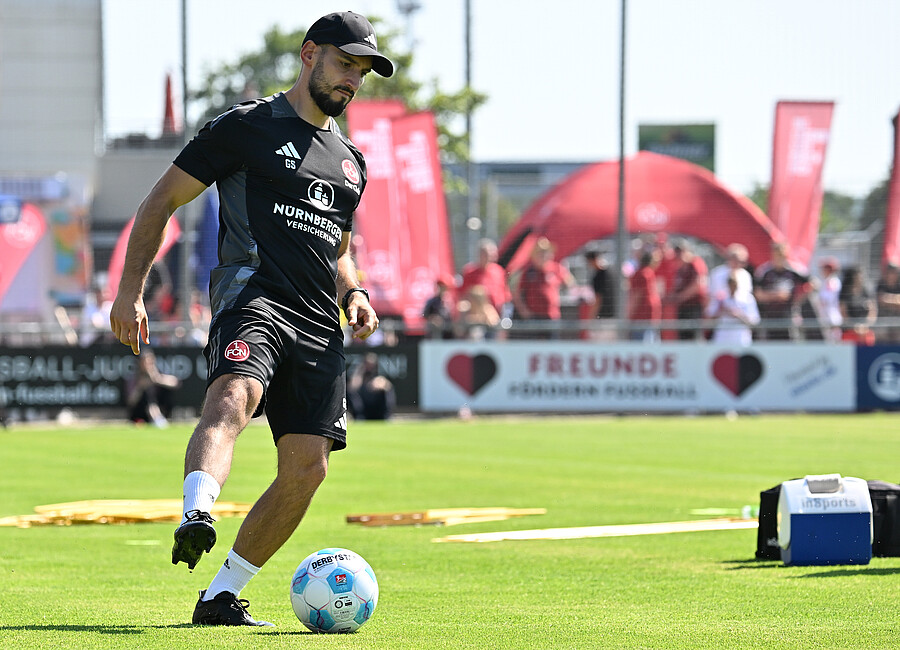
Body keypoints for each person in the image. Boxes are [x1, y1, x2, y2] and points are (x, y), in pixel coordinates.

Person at [108, 11, 391, 627]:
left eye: (363, 72)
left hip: (321, 323)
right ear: (309, 55)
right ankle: (197, 510)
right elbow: (161, 200)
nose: (353, 81)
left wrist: (357, 293)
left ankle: (220, 596)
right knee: (234, 395)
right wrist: (131, 290)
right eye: (346, 64)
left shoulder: (351, 162)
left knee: (308, 469)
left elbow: (339, 248)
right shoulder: (246, 127)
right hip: (253, 297)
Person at [510, 237, 575, 338]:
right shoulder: (528, 271)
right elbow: (516, 292)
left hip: (552, 316)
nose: (543, 255)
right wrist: (524, 311)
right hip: (534, 316)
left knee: (551, 345)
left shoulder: (556, 268)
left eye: (545, 252)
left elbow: (570, 283)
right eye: (540, 252)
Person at [754, 242, 808, 341]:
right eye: (776, 254)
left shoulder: (793, 270)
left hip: (789, 315)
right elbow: (758, 294)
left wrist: (797, 300)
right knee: (771, 345)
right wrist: (775, 296)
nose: (779, 258)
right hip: (769, 316)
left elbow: (812, 284)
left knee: (791, 344)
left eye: (781, 255)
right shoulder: (764, 271)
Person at [125, 348, 180, 427]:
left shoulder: (158, 373)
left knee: (167, 390)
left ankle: (158, 418)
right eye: (145, 362)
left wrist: (158, 380)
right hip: (140, 412)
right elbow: (130, 401)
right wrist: (140, 387)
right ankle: (156, 418)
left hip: (159, 407)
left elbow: (175, 382)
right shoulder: (134, 377)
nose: (148, 365)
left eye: (150, 362)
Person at [667, 239, 709, 341]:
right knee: (683, 337)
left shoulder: (695, 263)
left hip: (694, 307)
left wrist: (680, 297)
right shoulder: (680, 269)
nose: (678, 256)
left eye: (680, 252)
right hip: (683, 308)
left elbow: (697, 284)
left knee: (694, 336)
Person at [705, 270, 760, 346]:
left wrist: (738, 315)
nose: (732, 287)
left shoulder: (747, 298)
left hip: (741, 339)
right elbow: (709, 318)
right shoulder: (720, 298)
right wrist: (721, 311)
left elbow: (754, 321)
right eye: (730, 283)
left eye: (734, 283)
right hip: (722, 338)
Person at [459, 238, 511, 317]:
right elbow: (463, 295)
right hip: (477, 315)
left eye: (490, 254)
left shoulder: (499, 271)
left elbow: (505, 293)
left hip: (497, 314)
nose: (488, 257)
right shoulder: (470, 272)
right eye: (485, 254)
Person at [347, 352, 395, 420]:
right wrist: (360, 372)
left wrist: (380, 386)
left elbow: (387, 385)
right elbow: (352, 387)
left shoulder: (379, 376)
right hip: (363, 409)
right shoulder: (359, 376)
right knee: (350, 392)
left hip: (377, 407)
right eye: (368, 364)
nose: (369, 367)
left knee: (388, 390)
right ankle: (359, 417)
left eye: (372, 365)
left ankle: (387, 416)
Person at [627, 249, 662, 342]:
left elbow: (636, 296)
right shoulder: (644, 273)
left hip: (645, 316)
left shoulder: (644, 272)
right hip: (642, 316)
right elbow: (637, 295)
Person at [840, 266, 877, 345]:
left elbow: (872, 311)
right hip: (850, 330)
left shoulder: (866, 292)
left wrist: (865, 326)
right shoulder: (845, 293)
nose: (859, 279)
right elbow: (843, 312)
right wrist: (855, 327)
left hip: (865, 331)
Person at [422, 275, 457, 339]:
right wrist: (432, 318)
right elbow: (424, 314)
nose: (442, 289)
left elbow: (456, 316)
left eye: (444, 287)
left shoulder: (453, 301)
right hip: (435, 333)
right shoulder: (432, 301)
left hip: (450, 333)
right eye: (440, 286)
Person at [875, 263, 900, 343]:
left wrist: (888, 298)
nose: (894, 275)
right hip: (883, 322)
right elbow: (881, 300)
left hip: (897, 322)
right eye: (892, 272)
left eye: (896, 272)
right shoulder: (881, 284)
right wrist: (896, 299)